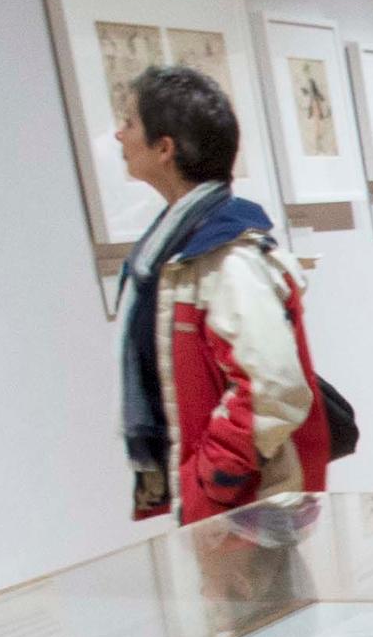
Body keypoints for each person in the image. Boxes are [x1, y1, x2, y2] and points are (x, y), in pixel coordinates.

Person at [112, 64, 327, 524]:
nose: (118, 135)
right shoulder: (177, 253)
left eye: (129, 123)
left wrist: (213, 479)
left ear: (165, 148)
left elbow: (272, 387)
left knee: (258, 597)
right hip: (225, 504)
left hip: (244, 506)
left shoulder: (227, 259)